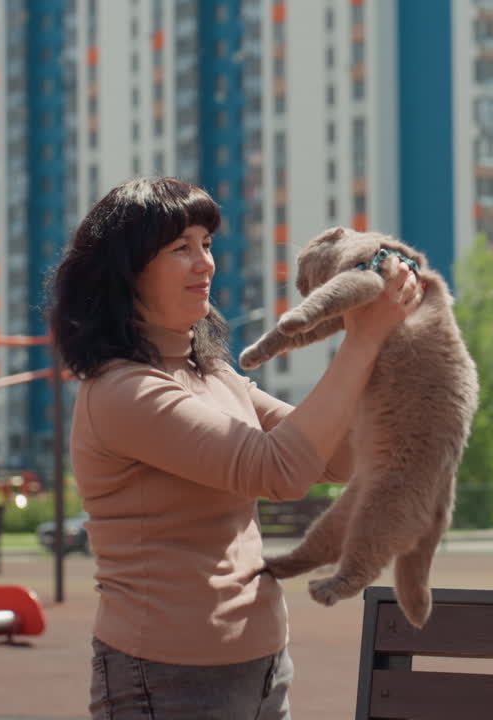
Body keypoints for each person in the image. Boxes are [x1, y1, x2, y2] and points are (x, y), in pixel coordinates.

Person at [47, 177, 421, 719]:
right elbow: (281, 472)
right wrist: (361, 340)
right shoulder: (122, 391)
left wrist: (375, 341)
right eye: (181, 248)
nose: (205, 264)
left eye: (207, 244)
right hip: (167, 674)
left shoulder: (214, 374)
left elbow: (339, 459)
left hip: (262, 662)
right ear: (126, 273)